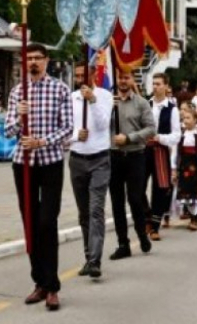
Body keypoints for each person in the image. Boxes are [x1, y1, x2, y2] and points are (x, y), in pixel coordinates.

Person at [4, 44, 73, 311]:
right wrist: (20, 118)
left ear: (46, 60)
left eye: (37, 58)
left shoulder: (60, 89)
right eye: (29, 58)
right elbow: (8, 131)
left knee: (47, 221)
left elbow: (68, 128)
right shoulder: (17, 91)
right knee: (30, 223)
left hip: (50, 162)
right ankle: (40, 282)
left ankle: (53, 286)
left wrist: (42, 141)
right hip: (23, 164)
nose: (33, 62)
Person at [69, 63, 113, 279]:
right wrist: (76, 136)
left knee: (96, 209)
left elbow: (104, 124)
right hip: (77, 158)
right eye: (76, 76)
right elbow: (64, 130)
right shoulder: (71, 98)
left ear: (94, 74)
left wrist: (93, 101)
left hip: (99, 159)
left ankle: (95, 260)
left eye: (83, 75)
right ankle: (88, 256)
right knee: (84, 212)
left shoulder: (105, 96)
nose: (80, 80)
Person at [108, 69, 156, 261]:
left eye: (126, 78)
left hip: (135, 155)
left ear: (132, 80)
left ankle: (142, 234)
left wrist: (129, 138)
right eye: (120, 77)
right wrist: (106, 110)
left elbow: (151, 128)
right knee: (116, 201)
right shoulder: (109, 102)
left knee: (135, 198)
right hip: (113, 156)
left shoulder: (141, 103)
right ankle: (123, 243)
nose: (123, 81)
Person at [146, 73, 180, 240]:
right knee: (137, 186)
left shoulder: (172, 109)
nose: (155, 87)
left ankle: (155, 226)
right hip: (143, 149)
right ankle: (146, 216)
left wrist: (160, 138)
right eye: (153, 83)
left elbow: (176, 135)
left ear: (166, 86)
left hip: (160, 150)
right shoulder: (146, 104)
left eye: (158, 84)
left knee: (160, 188)